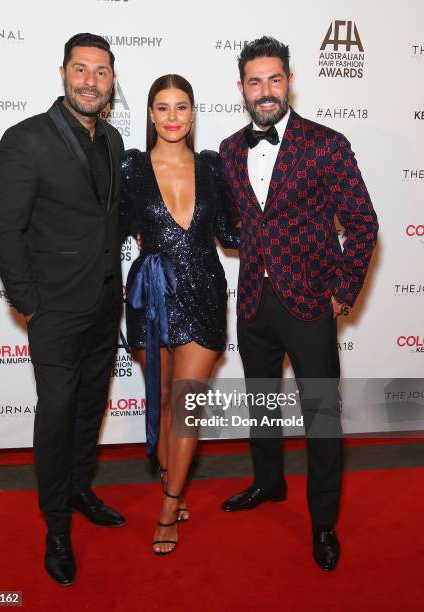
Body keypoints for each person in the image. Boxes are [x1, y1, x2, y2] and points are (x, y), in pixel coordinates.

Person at [218, 36, 378, 571]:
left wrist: (342, 289)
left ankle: (324, 523)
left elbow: (362, 223)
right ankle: (268, 484)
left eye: (275, 79)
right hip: (253, 302)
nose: (266, 91)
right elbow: (237, 223)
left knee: (321, 417)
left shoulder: (326, 143)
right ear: (241, 87)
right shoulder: (228, 149)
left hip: (309, 301)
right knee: (262, 404)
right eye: (255, 81)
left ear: (289, 81)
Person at [0, 33, 126, 586]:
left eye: (100, 71)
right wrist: (29, 303)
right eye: (81, 69)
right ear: (63, 73)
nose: (90, 80)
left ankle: (79, 488)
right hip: (55, 311)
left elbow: (106, 220)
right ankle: (56, 527)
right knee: (56, 414)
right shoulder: (26, 139)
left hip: (103, 305)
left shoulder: (114, 141)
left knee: (90, 408)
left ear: (112, 80)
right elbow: (5, 229)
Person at [120, 74, 239, 555]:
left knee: (187, 404)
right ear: (150, 115)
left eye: (182, 107)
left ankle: (170, 505)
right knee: (165, 396)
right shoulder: (131, 168)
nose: (172, 117)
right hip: (151, 294)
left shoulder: (212, 167)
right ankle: (171, 475)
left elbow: (232, 231)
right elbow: (114, 225)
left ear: (193, 115)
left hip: (205, 290)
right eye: (163, 107)